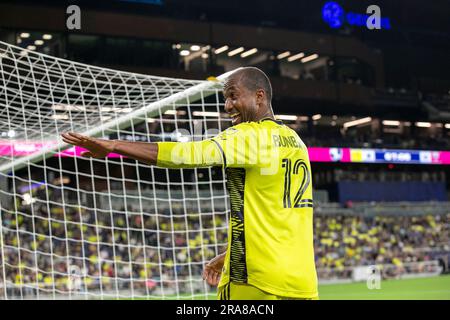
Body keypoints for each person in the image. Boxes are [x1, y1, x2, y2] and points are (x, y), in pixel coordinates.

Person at [61, 67, 318, 300]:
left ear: (259, 96)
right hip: (302, 282)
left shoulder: (249, 135)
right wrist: (229, 253)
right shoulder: (296, 141)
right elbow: (277, 217)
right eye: (226, 98)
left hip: (255, 279)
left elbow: (189, 154)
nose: (228, 105)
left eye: (233, 96)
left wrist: (114, 146)